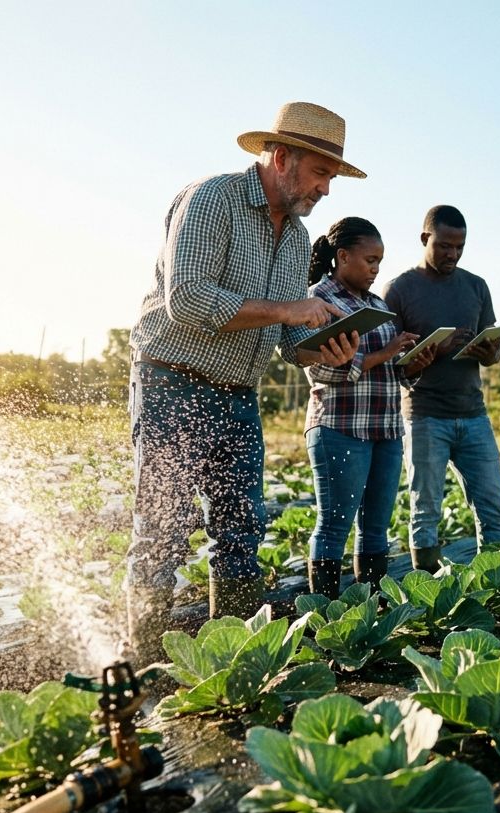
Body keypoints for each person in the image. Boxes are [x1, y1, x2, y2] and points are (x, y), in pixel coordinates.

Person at [124, 101, 366, 661]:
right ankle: (139, 665)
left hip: (239, 395)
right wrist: (288, 309)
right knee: (162, 529)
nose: (327, 189)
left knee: (241, 533)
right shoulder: (213, 200)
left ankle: (231, 664)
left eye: (332, 176)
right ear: (281, 157)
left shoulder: (299, 239)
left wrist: (331, 351)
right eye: (320, 173)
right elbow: (187, 300)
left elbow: (285, 343)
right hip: (172, 382)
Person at [297, 217, 438, 597]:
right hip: (340, 427)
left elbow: (394, 373)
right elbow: (323, 370)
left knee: (376, 526)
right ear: (342, 256)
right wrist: (386, 352)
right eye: (369, 260)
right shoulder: (318, 300)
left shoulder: (376, 304)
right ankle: (322, 613)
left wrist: (411, 364)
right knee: (334, 525)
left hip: (386, 430)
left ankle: (369, 614)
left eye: (380, 262)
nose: (376, 270)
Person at [383, 205, 500, 572]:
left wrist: (490, 352)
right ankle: (427, 589)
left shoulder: (476, 287)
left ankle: (499, 583)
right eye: (444, 246)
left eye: (460, 247)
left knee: (492, 507)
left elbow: (494, 355)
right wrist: (431, 351)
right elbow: (390, 361)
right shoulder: (400, 290)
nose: (452, 254)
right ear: (425, 239)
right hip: (425, 416)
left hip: (473, 414)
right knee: (425, 510)